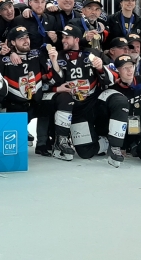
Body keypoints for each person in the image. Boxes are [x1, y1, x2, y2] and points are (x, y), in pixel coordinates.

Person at [50, 24, 128, 167]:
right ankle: (104, 142)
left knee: (119, 100)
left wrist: (100, 67)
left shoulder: (94, 53)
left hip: (96, 102)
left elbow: (113, 79)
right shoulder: (58, 56)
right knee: (85, 152)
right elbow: (52, 81)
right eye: (63, 37)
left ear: (77, 39)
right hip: (78, 110)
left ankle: (116, 146)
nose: (63, 40)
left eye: (67, 37)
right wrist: (54, 64)